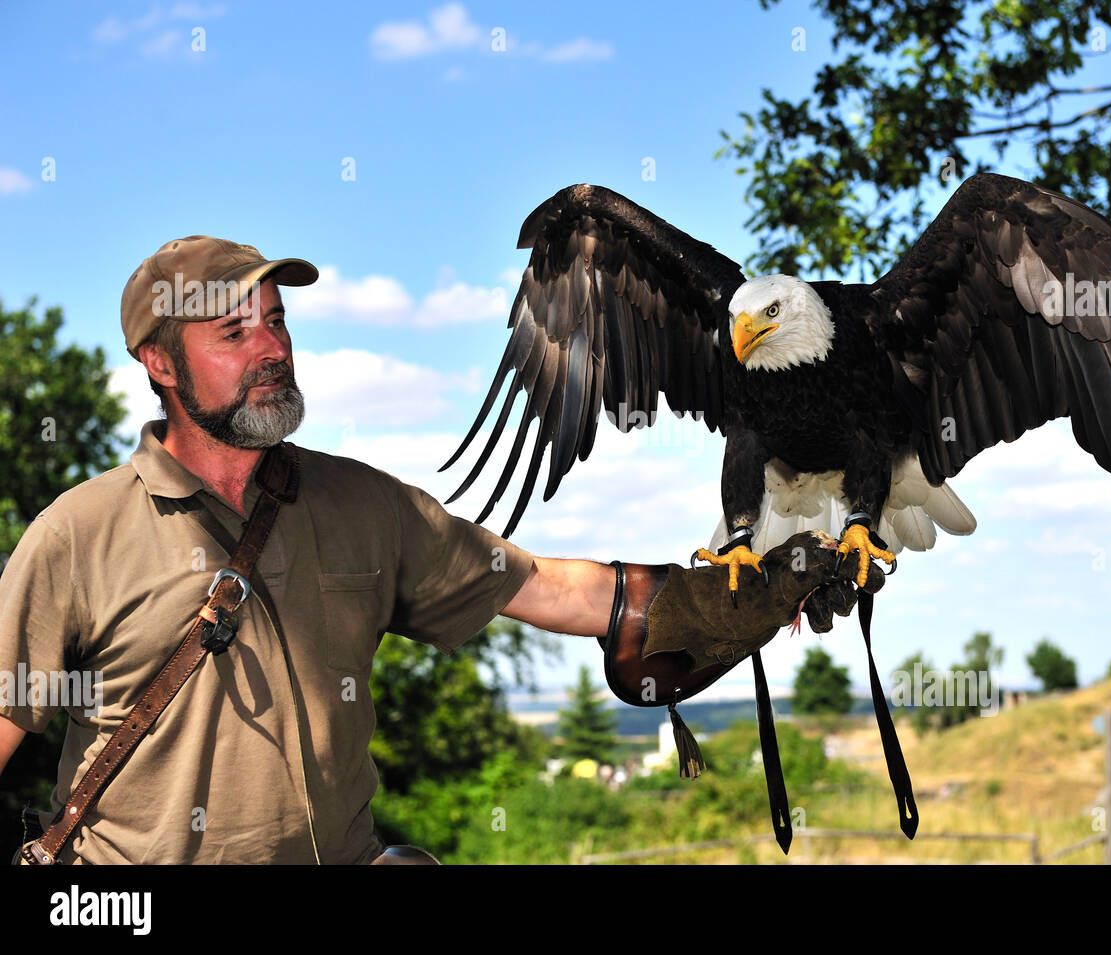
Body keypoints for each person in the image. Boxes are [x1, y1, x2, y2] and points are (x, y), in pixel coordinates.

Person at [0, 236, 854, 864]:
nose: (272, 350)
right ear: (159, 363)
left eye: (277, 322)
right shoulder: (77, 537)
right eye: (233, 335)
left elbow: (541, 586)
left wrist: (719, 596)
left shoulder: (360, 503)